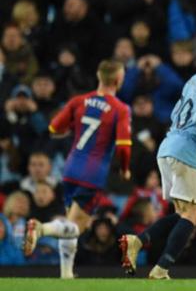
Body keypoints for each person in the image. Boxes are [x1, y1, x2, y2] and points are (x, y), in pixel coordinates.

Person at [119, 36, 196, 279]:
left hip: (169, 147)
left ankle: (138, 241)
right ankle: (161, 269)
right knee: (193, 215)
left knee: (181, 213)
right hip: (185, 151)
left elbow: (179, 113)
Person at [23, 60, 132, 279]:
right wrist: (125, 169)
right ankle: (41, 228)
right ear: (119, 80)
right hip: (92, 174)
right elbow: (123, 145)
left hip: (70, 168)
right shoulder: (120, 109)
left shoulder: (78, 101)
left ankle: (66, 275)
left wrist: (74, 126)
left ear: (99, 77)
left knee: (72, 221)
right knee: (77, 227)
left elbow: (54, 128)